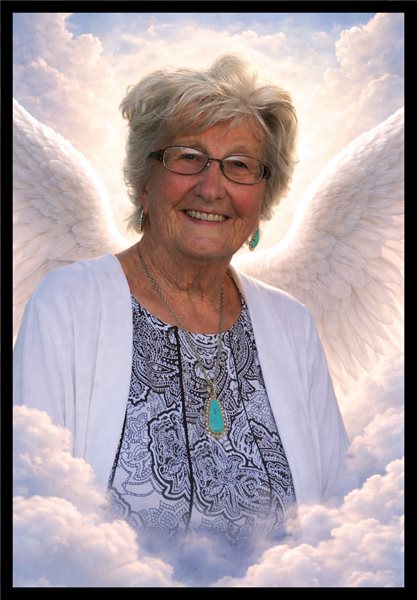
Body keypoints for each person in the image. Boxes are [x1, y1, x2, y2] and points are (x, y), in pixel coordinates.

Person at [13, 54, 349, 556]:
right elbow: (29, 504)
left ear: (263, 198)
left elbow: (338, 512)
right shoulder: (69, 304)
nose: (212, 188)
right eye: (188, 157)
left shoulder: (292, 324)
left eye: (240, 166)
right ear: (144, 182)